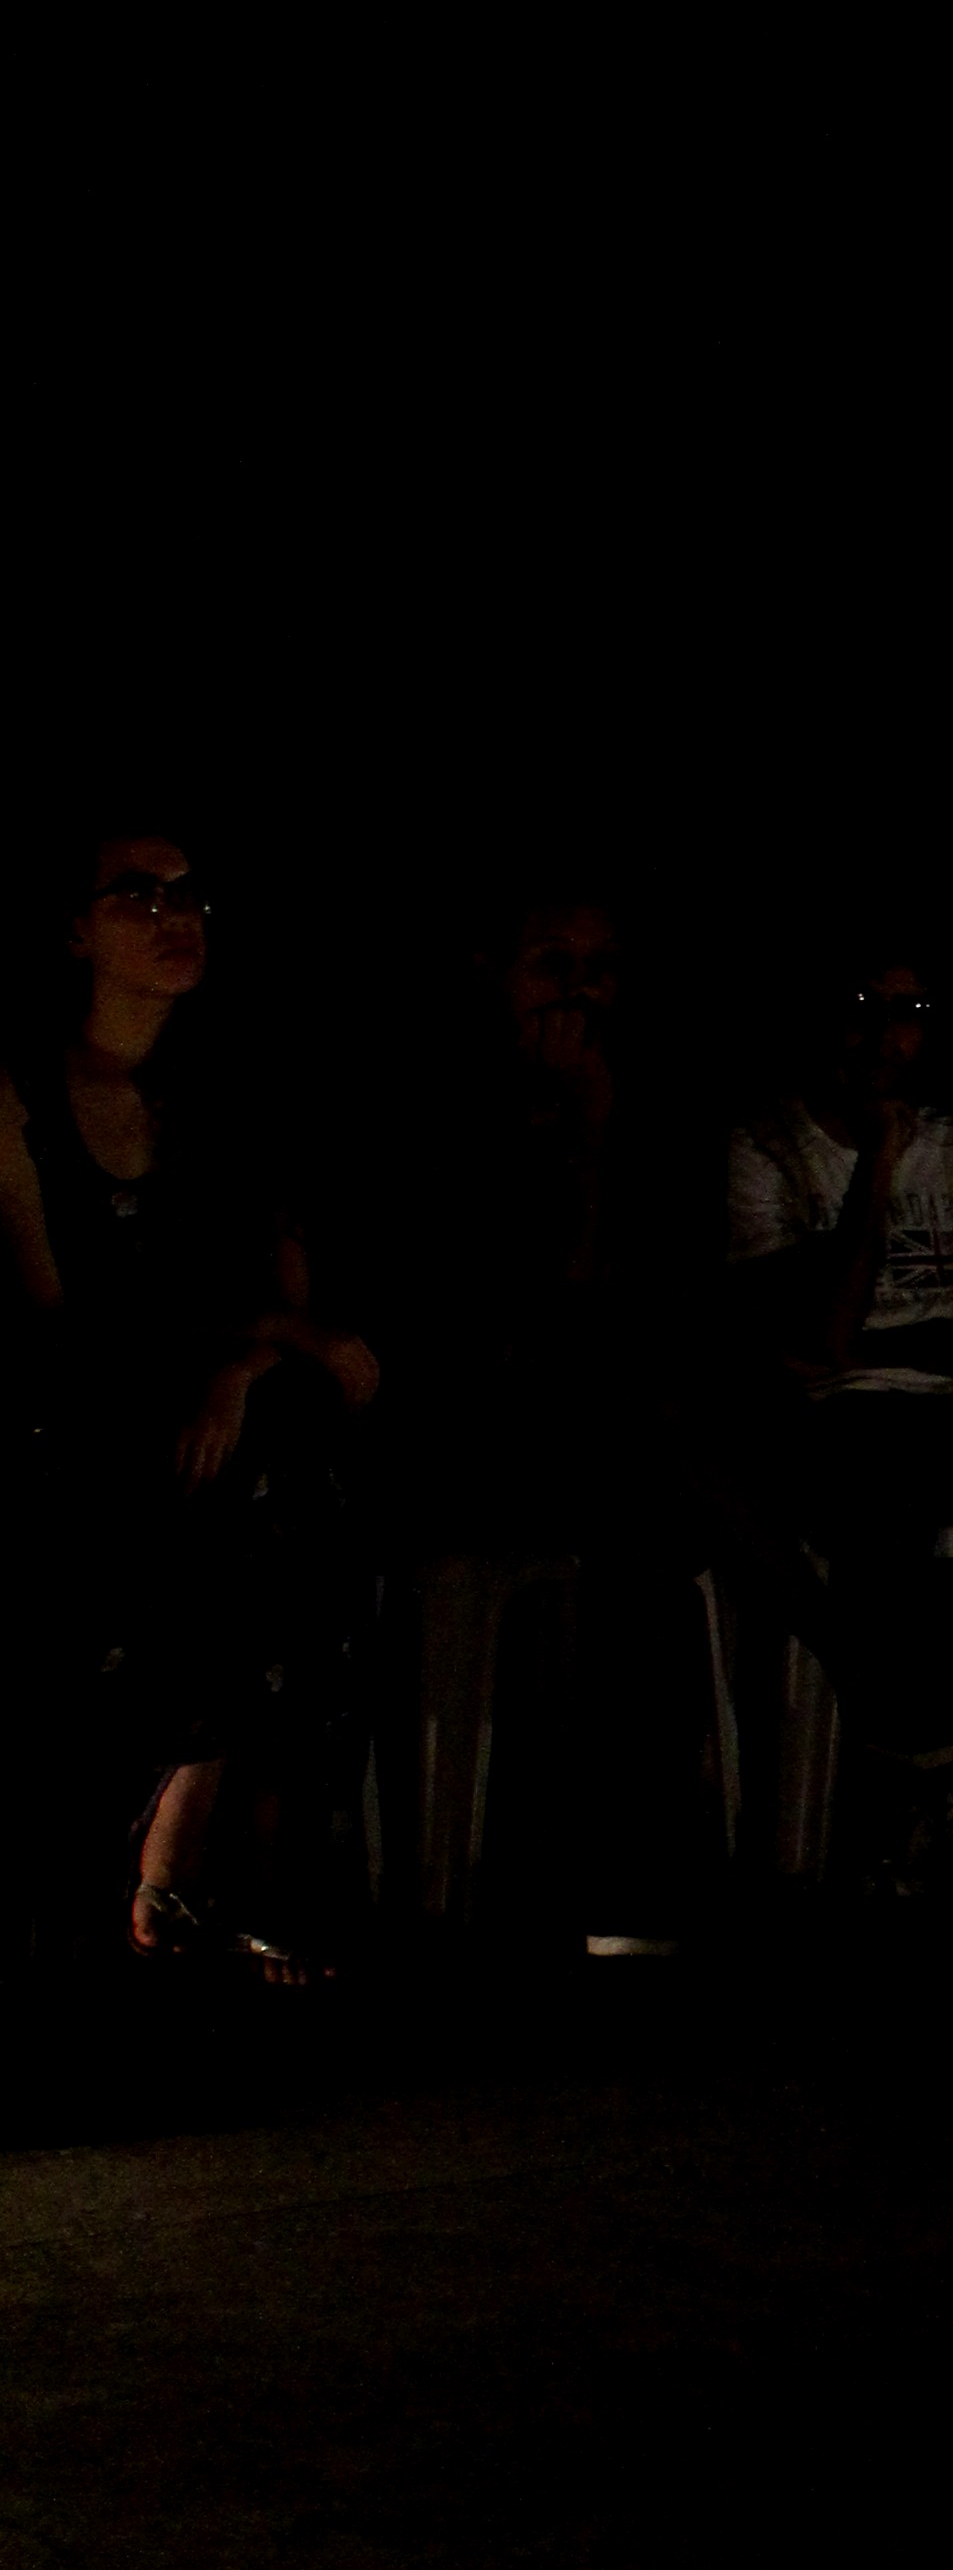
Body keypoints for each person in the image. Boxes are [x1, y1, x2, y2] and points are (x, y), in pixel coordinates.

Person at [0, 827, 380, 1974]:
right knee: (197, 1505)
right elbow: (60, 1318)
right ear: (77, 931)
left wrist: (247, 1361)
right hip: (73, 1397)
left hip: (216, 1399)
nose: (175, 917)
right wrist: (260, 1343)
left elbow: (287, 1291)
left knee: (282, 1464)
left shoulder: (227, 1089)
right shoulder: (26, 1093)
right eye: (137, 895)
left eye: (187, 895)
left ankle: (187, 1863)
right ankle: (141, 1870)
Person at [391, 885, 723, 1946]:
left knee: (659, 1497)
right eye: (552, 963)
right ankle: (584, 1871)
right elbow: (502, 1319)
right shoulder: (439, 1112)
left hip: (590, 1430)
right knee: (637, 1491)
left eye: (601, 968)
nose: (579, 992)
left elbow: (656, 1298)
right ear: (492, 972)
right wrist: (580, 1141)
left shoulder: (640, 1110)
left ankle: (634, 1867)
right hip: (448, 1430)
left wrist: (600, 1134)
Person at [724, 944, 953, 1870]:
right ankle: (951, 1789)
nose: (886, 1034)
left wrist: (858, 1345)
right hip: (840, 1422)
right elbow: (815, 1335)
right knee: (886, 1516)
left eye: (910, 1012)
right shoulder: (765, 1148)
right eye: (864, 1006)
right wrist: (878, 1168)